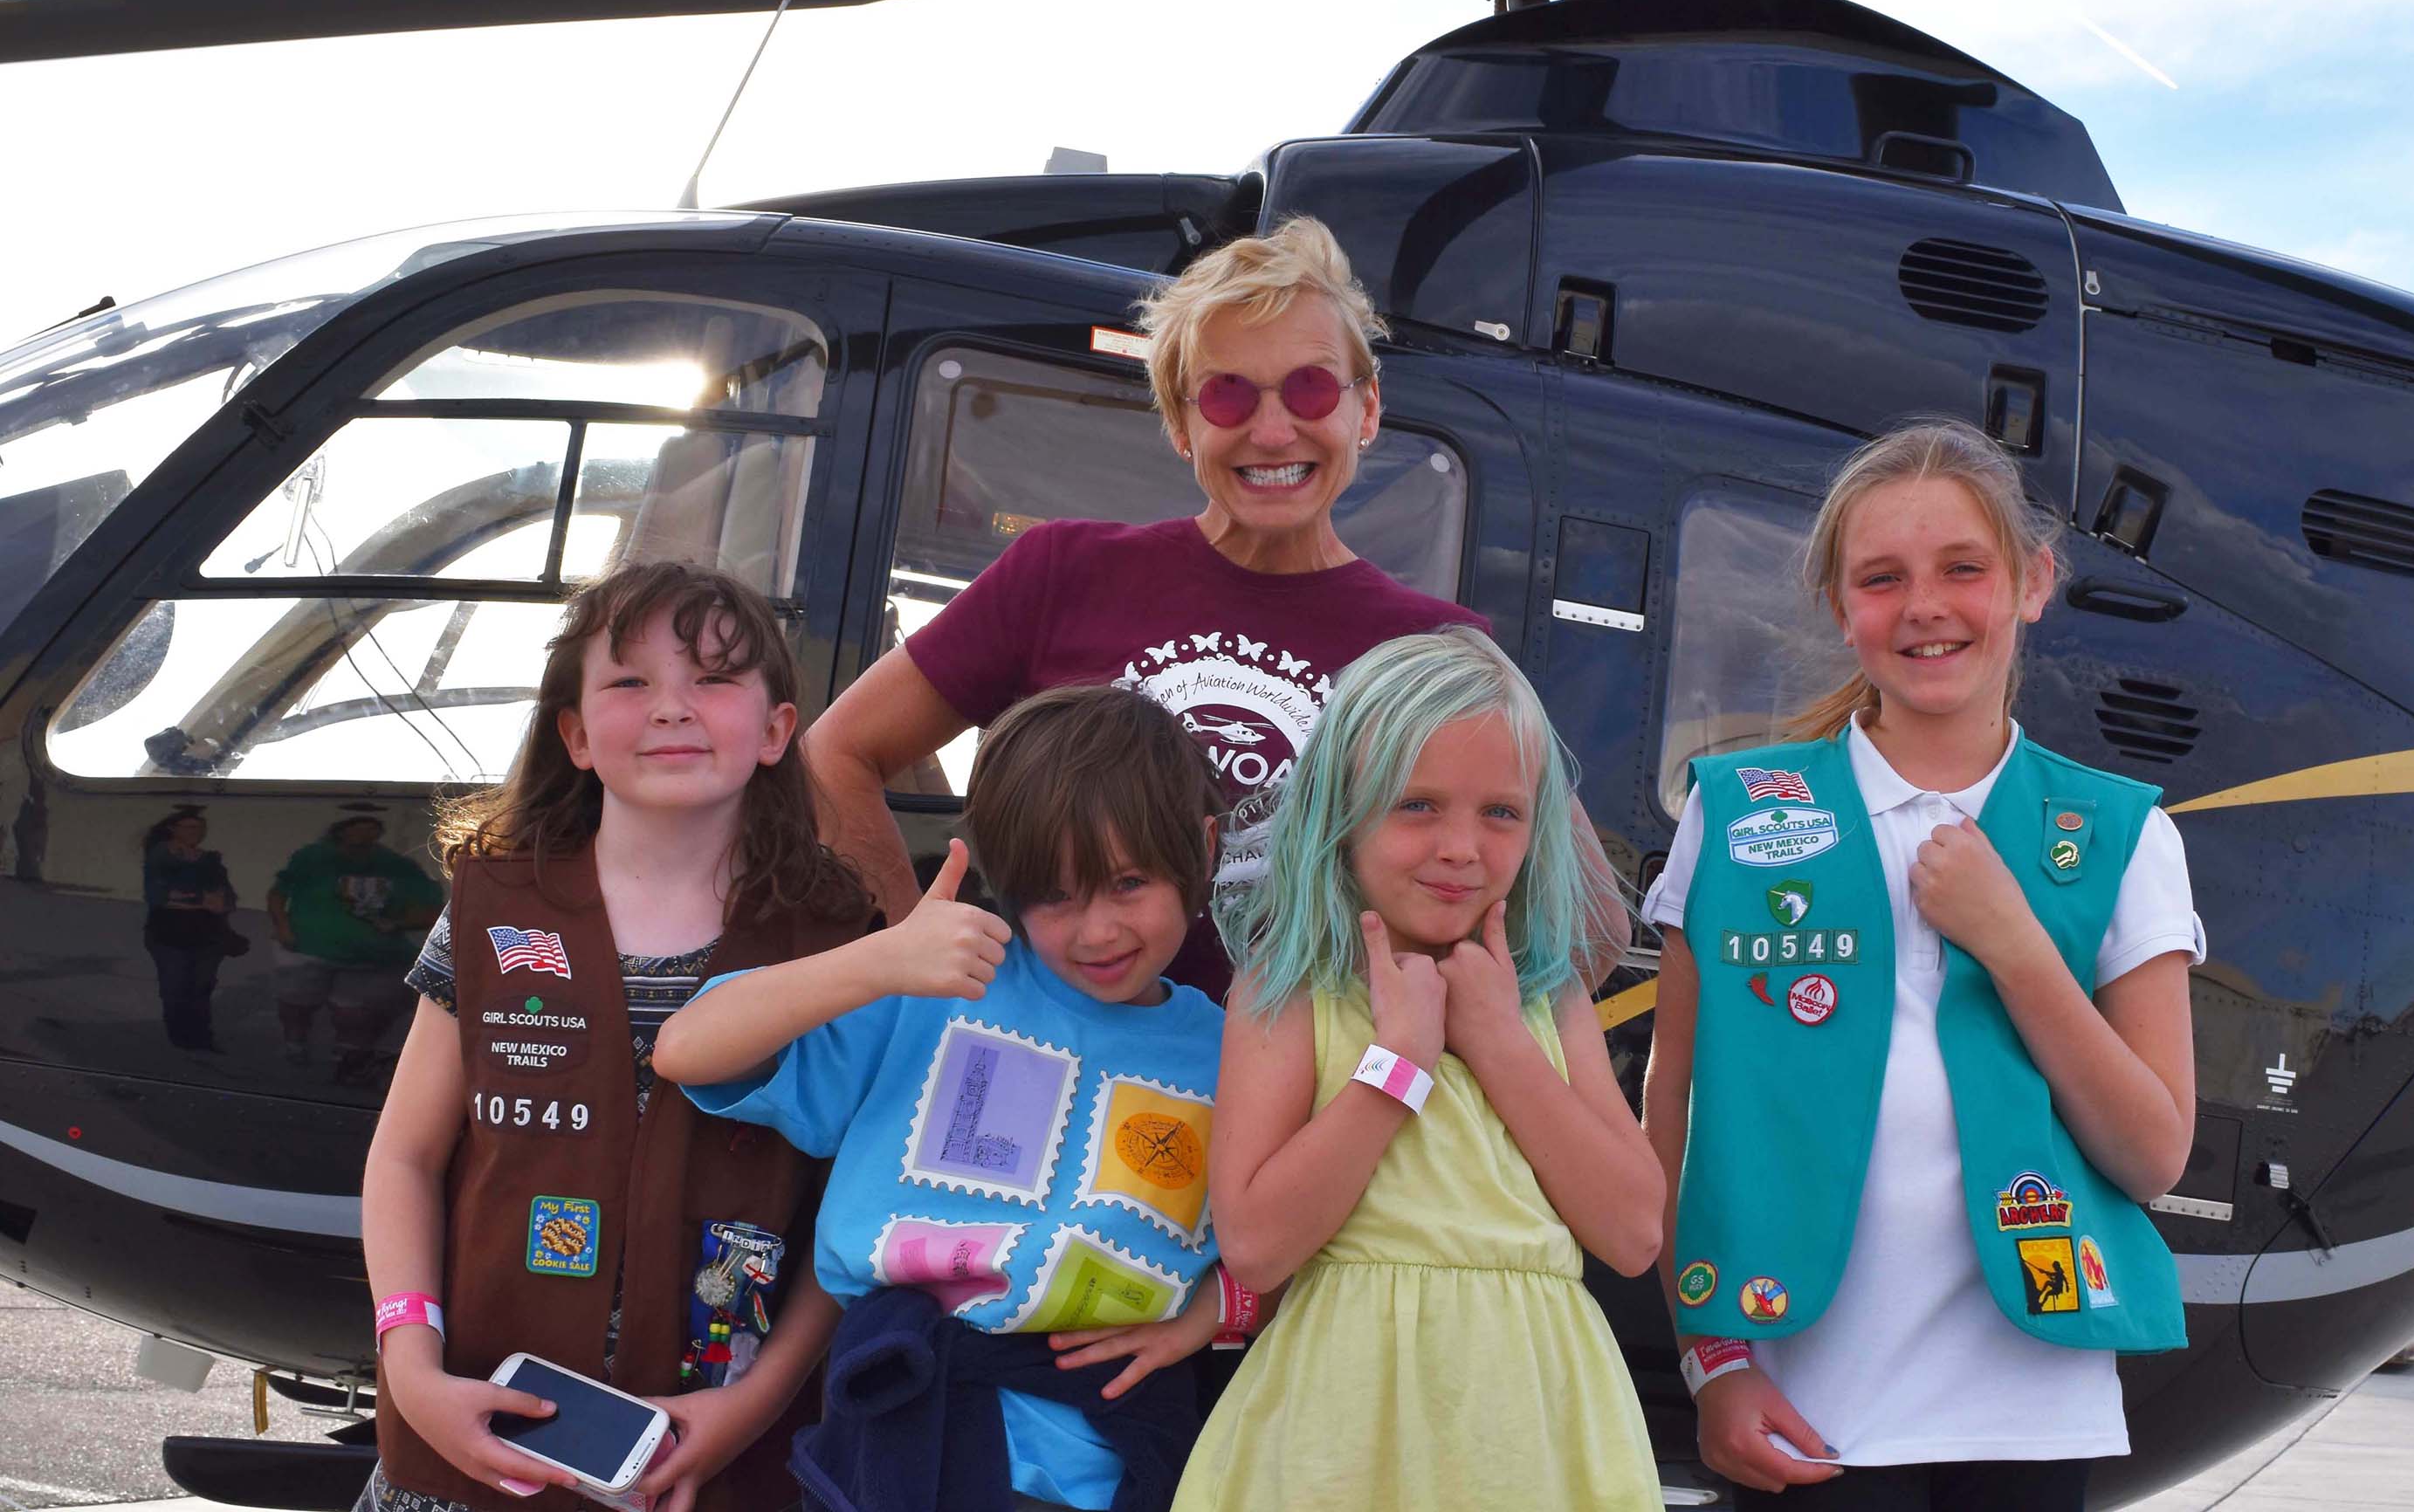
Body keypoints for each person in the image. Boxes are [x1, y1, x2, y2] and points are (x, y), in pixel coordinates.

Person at [1640, 422, 2204, 1512]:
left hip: (2029, 1408)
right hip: (1808, 1404)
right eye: (1881, 579)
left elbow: (2151, 1154)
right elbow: (1676, 1102)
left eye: (1962, 569)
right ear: (1840, 607)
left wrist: (2013, 941)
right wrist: (1708, 1360)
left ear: (2032, 583)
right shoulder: (1737, 810)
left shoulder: (2122, 833)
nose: (1924, 607)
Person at [801, 216, 1488, 996]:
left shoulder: (1441, 650)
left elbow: (1583, 925)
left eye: (1311, 388)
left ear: (1364, 410)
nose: (1271, 429)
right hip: (1049, 1079)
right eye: (1227, 395)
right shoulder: (1064, 571)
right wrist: (914, 958)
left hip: (1293, 1108)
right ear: (1179, 423)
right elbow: (834, 757)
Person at [359, 562, 877, 1512]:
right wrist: (413, 1369)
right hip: (470, 1440)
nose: (672, 708)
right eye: (630, 681)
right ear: (576, 734)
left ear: (775, 731)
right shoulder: (495, 909)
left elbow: (851, 1217)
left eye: (713, 678)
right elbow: (405, 1155)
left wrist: (756, 1406)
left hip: (709, 1457)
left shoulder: (838, 940)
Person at [654, 685, 1234, 1512]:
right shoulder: (933, 986)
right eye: (1054, 895)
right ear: (1003, 879)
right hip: (905, 1423)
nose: (1096, 930)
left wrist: (1212, 1308)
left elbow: (1296, 1233)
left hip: (1124, 1452)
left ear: (1203, 850)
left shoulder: (1230, 1047)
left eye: (1129, 883)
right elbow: (687, 1049)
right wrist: (882, 959)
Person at [1173, 627, 1663, 1512]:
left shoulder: (1544, 1001)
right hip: (1340, 1430)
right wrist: (1396, 1066)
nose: (1461, 848)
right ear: (1338, 814)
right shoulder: (1289, 989)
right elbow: (1255, 1245)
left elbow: (1631, 1232)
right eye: (1416, 806)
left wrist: (1499, 1046)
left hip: (1534, 1434)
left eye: (1500, 813)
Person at [270, 813, 444, 1083]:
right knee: (297, 1003)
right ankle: (295, 1044)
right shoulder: (312, 858)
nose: (363, 834)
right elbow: (278, 893)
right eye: (356, 828)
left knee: (353, 1011)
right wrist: (282, 927)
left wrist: (397, 923)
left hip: (370, 956)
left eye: (371, 828)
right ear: (340, 831)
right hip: (306, 948)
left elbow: (433, 911)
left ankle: (347, 1059)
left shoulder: (398, 866)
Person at [141, 807, 237, 1051]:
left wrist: (216, 902)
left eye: (200, 828)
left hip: (208, 935)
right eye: (191, 827)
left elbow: (226, 896)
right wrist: (201, 900)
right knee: (175, 988)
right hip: (169, 934)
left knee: (201, 988)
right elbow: (157, 895)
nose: (197, 832)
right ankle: (180, 1038)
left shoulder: (210, 860)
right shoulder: (161, 856)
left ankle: (201, 1038)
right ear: (174, 829)